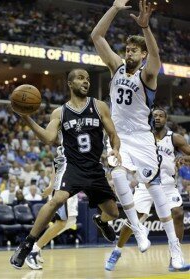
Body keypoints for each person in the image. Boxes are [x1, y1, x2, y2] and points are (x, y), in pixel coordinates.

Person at [91, 0, 184, 269]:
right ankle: (138, 230)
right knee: (116, 171)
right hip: (119, 136)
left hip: (143, 138)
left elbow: (157, 57)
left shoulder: (148, 75)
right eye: (127, 49)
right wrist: (115, 8)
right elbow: (96, 36)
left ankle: (175, 252)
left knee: (156, 190)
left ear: (142, 54)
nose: (129, 53)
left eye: (134, 50)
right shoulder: (115, 67)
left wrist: (145, 28)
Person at [10, 68, 122, 269]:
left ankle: (102, 222)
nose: (86, 82)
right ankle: (27, 245)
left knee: (113, 213)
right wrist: (26, 117)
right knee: (57, 199)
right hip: (73, 166)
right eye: (80, 78)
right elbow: (48, 138)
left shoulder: (99, 106)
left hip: (95, 168)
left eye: (87, 79)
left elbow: (113, 134)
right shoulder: (60, 112)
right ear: (70, 84)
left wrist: (115, 149)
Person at [105, 108, 190, 271]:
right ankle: (117, 250)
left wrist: (185, 158)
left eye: (161, 116)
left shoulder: (175, 138)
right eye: (155, 115)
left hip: (167, 185)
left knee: (178, 214)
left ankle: (174, 258)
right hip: (146, 183)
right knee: (133, 221)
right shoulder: (143, 137)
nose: (157, 118)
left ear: (166, 119)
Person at [25, 148, 79, 270]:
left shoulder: (72, 145)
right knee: (61, 223)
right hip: (63, 189)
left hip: (71, 188)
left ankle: (37, 246)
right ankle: (33, 250)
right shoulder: (67, 144)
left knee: (70, 222)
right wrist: (51, 185)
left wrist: (50, 185)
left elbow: (57, 164)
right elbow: (58, 163)